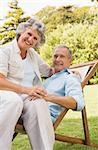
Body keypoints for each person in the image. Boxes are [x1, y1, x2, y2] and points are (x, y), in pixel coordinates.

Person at [0, 17, 55, 150]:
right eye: (29, 34)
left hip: (26, 95)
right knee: (14, 101)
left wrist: (68, 70)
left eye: (35, 38)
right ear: (22, 31)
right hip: (6, 93)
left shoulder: (33, 55)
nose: (31, 39)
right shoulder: (4, 50)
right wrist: (26, 90)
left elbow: (49, 71)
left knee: (38, 103)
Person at [43, 45, 85, 123]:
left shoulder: (70, 78)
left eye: (62, 56)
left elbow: (77, 102)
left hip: (44, 115)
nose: (57, 59)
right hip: (33, 108)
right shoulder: (50, 78)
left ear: (69, 61)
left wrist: (48, 97)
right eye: (55, 56)